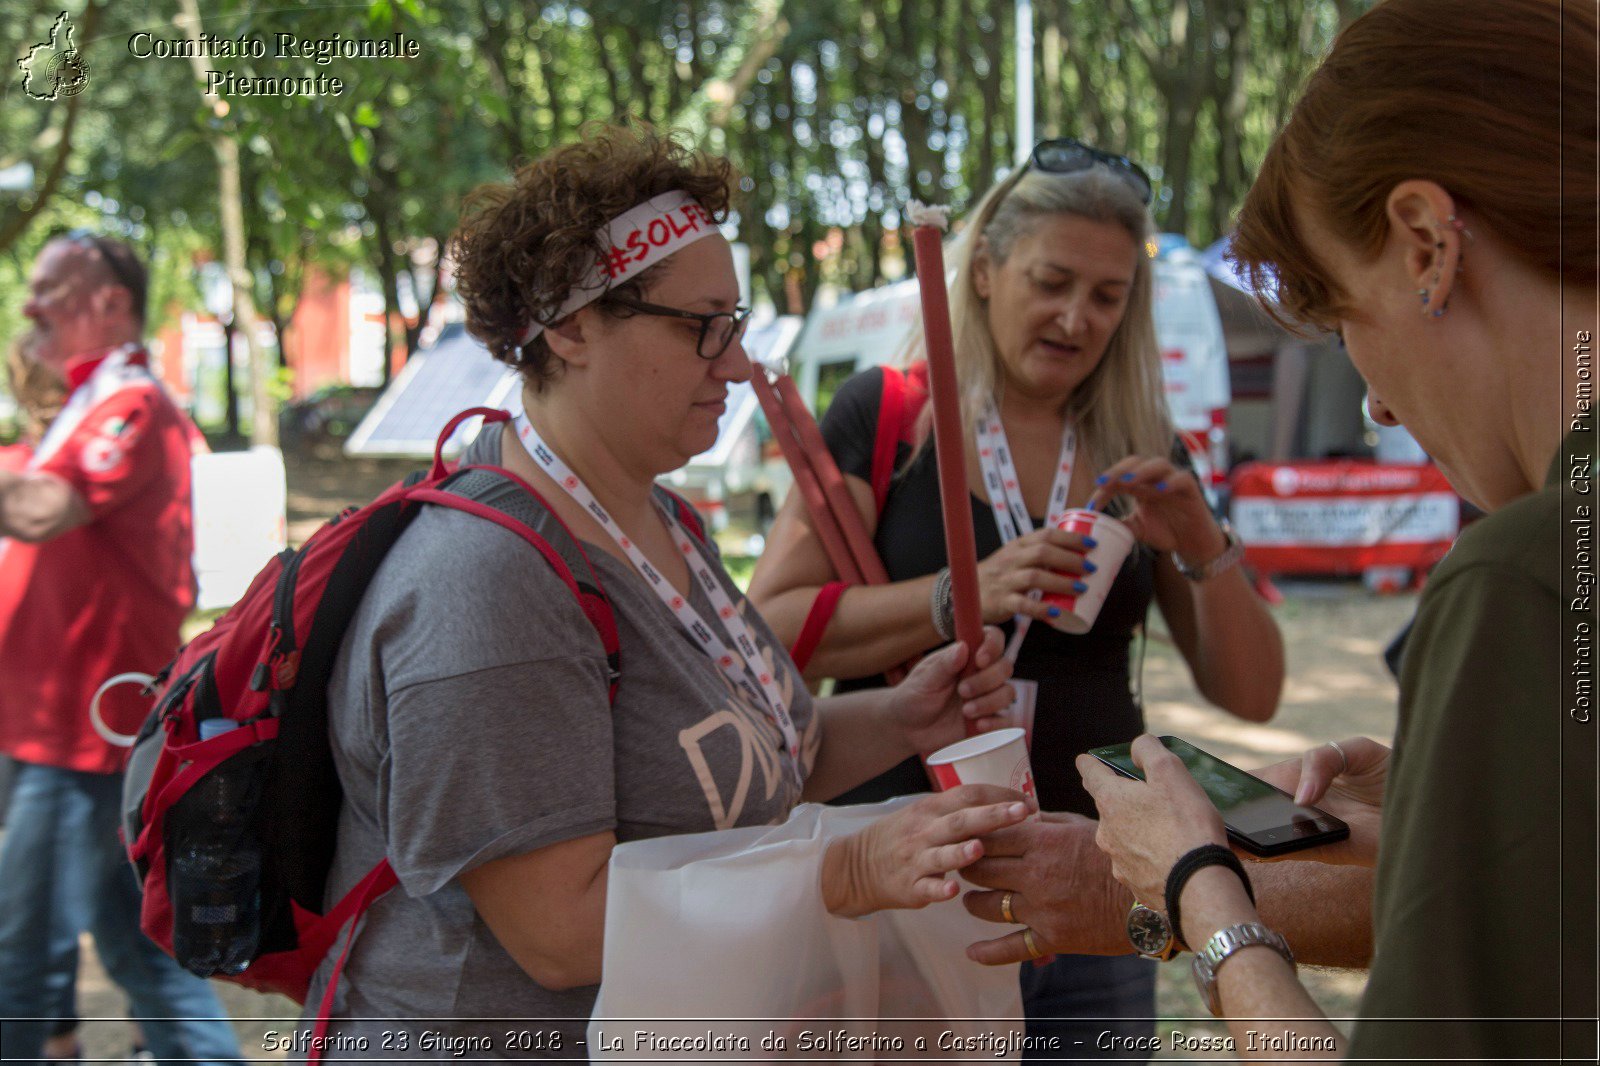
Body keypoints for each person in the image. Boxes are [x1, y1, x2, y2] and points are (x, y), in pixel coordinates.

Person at [301, 124, 1032, 1056]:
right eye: (703, 327)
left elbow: (755, 769)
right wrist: (839, 872)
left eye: (736, 325)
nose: (733, 363)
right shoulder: (487, 583)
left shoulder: (663, 521)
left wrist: (905, 717)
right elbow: (560, 934)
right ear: (570, 328)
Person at [1075, 0, 1597, 1058]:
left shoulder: (1531, 572)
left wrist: (1200, 894)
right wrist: (1428, 832)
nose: (1382, 409)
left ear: (1422, 244)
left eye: (1344, 316)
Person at [746, 140, 1284, 1050]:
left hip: (1100, 878)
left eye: (1106, 296)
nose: (1076, 316)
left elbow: (1253, 694)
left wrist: (1201, 540)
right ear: (987, 270)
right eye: (1052, 280)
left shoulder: (1143, 448)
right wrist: (955, 597)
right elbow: (769, 632)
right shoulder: (888, 415)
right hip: (907, 872)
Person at [0, 234, 243, 1064]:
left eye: (47, 292)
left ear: (108, 302)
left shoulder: (131, 402)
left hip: (81, 736)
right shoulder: (87, 403)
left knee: (22, 958)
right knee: (125, 943)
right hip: (48, 728)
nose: (28, 309)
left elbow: (37, 510)